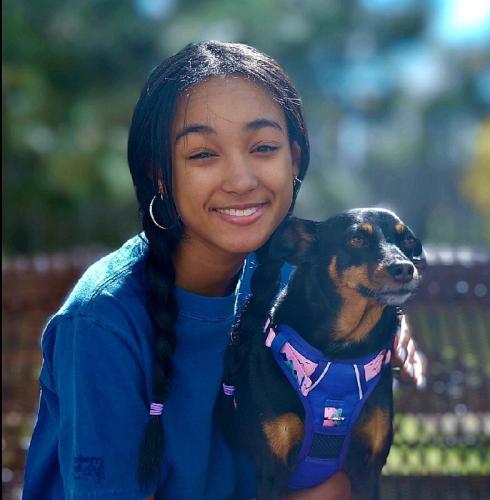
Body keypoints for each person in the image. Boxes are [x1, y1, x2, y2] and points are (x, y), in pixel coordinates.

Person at [22, 41, 425, 499]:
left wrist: (390, 324)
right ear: (159, 173)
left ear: (293, 159)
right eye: (202, 154)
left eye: (264, 147)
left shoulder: (288, 281)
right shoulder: (102, 323)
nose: (241, 180)